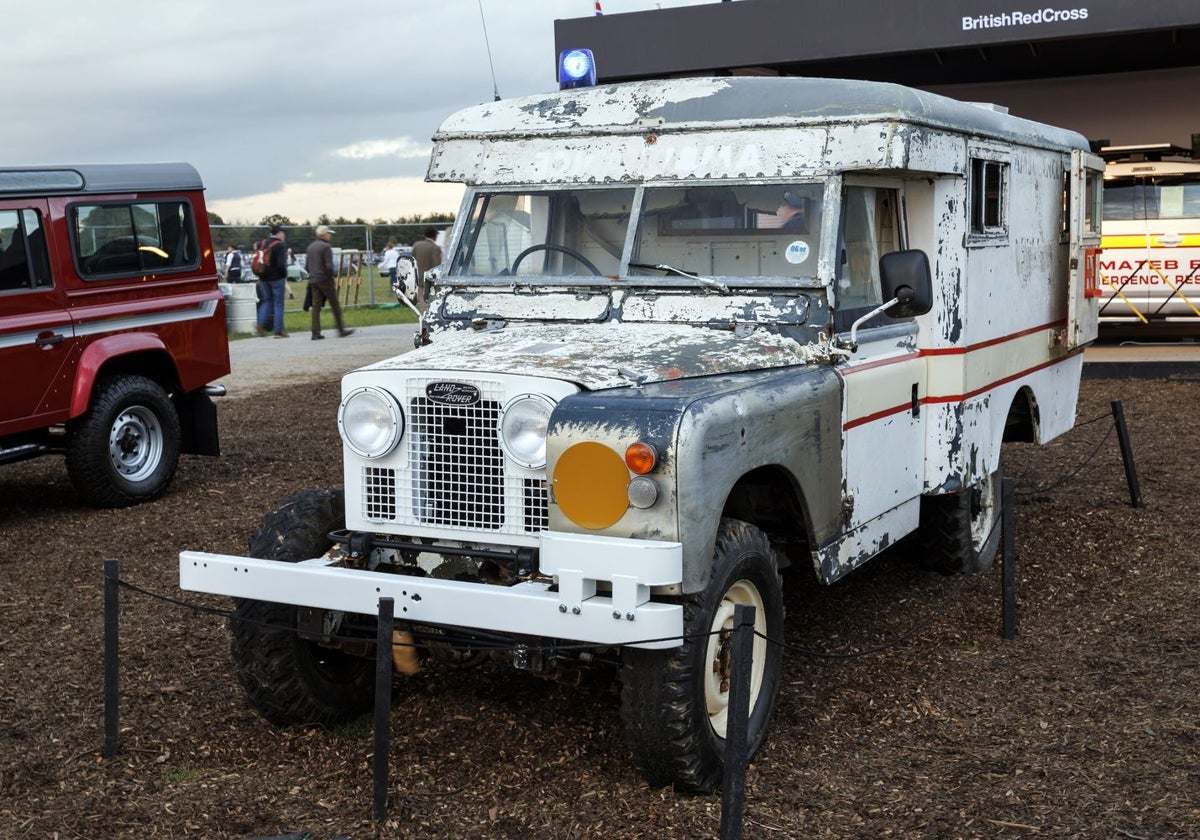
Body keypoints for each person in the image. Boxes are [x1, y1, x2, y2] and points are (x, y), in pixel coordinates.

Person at [305, 224, 354, 340]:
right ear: (323, 234)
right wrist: (331, 275)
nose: (329, 236)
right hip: (325, 279)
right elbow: (329, 266)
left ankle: (315, 332)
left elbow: (307, 266)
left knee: (316, 307)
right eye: (328, 234)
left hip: (313, 280)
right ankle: (341, 329)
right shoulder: (326, 247)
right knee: (335, 305)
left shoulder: (310, 247)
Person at [256, 225, 289, 337]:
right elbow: (281, 264)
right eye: (283, 233)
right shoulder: (280, 245)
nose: (284, 235)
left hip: (263, 277)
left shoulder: (263, 243)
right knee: (278, 303)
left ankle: (260, 324)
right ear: (279, 233)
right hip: (277, 278)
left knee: (267, 300)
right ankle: (278, 331)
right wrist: (284, 275)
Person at [412, 226, 443, 309]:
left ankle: (423, 314)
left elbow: (412, 260)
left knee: (421, 297)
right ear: (435, 236)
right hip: (430, 279)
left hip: (418, 277)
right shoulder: (435, 247)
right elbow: (437, 265)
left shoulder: (416, 245)